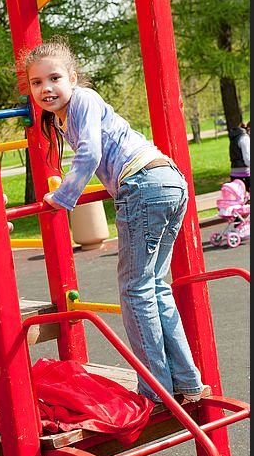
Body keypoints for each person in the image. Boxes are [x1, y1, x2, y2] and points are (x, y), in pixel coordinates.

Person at [22, 38, 205, 402]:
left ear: (73, 78)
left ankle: (156, 390)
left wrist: (62, 198)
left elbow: (90, 152)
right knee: (154, 286)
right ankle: (186, 381)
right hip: (166, 181)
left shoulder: (84, 100)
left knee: (135, 291)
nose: (46, 88)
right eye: (36, 83)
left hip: (144, 185)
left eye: (54, 78)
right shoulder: (63, 115)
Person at [228, 122, 250, 193]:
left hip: (234, 174)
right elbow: (247, 159)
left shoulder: (235, 137)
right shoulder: (244, 138)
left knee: (241, 199)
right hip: (245, 174)